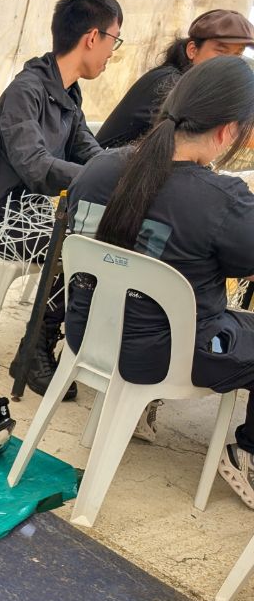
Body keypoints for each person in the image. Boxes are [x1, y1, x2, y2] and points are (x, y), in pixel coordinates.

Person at [64, 56, 254, 503]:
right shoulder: (221, 200)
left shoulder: (98, 167)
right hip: (160, 358)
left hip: (87, 333)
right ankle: (248, 454)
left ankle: (140, 406)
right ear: (229, 131)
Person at [0, 0, 122, 399]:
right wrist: (94, 180)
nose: (112, 53)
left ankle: (64, 346)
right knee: (82, 248)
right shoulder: (26, 91)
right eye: (114, 41)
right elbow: (35, 166)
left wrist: (122, 174)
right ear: (92, 37)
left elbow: (89, 151)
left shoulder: (68, 92)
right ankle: (35, 350)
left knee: (100, 241)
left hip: (31, 218)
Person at [97, 9, 254, 149]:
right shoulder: (168, 83)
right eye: (222, 52)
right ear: (192, 50)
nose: (230, 63)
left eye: (237, 55)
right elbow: (231, 131)